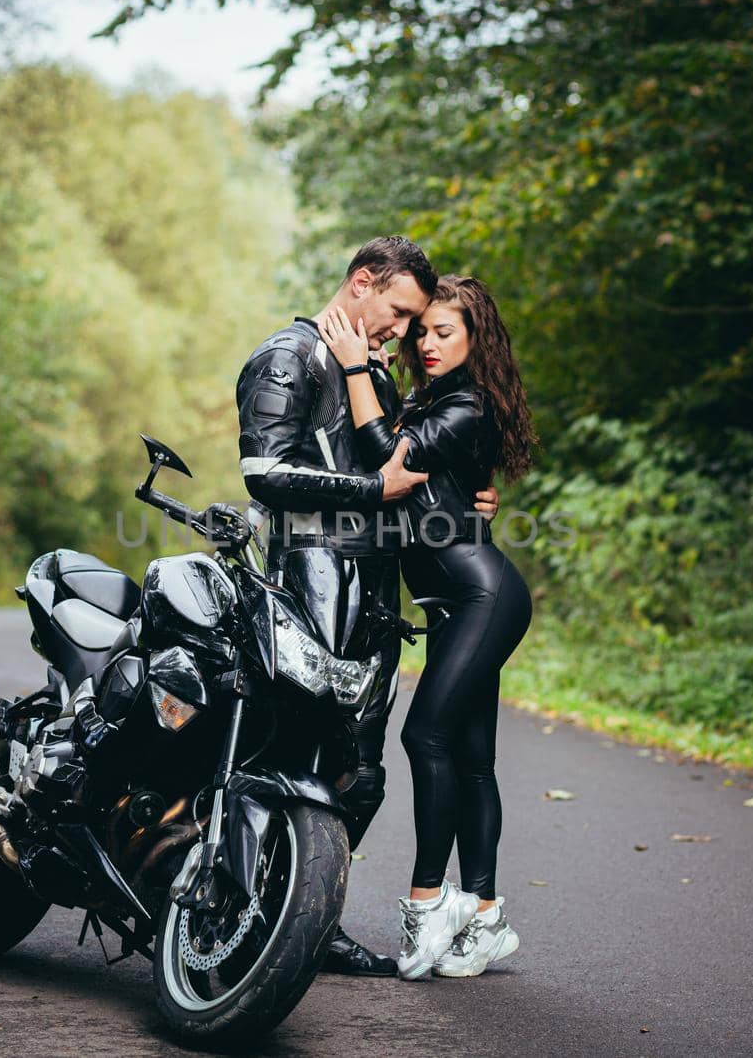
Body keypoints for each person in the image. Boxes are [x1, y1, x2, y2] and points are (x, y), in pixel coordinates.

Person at [235, 238, 500, 976]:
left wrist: (474, 495)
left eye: (419, 321)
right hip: (306, 591)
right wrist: (369, 491)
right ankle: (243, 912)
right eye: (398, 312)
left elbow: (415, 464)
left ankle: (310, 920)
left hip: (377, 608)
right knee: (284, 759)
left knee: (361, 776)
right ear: (360, 284)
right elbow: (264, 471)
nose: (404, 332)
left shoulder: (377, 377)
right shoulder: (288, 356)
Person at [319, 274, 537, 980]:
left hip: (483, 594)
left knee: (424, 735)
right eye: (424, 331)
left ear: (476, 339)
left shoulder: (466, 403)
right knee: (472, 759)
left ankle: (427, 902)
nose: (429, 342)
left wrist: (355, 366)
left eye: (446, 331)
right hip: (453, 602)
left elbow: (390, 457)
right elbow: (445, 478)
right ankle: (486, 916)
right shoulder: (434, 398)